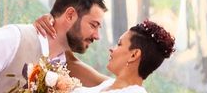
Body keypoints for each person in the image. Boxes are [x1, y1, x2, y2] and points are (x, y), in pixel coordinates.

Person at [35, 17, 175, 92]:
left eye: (119, 44)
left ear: (134, 55)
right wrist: (52, 24)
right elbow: (71, 63)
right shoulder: (108, 84)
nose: (111, 49)